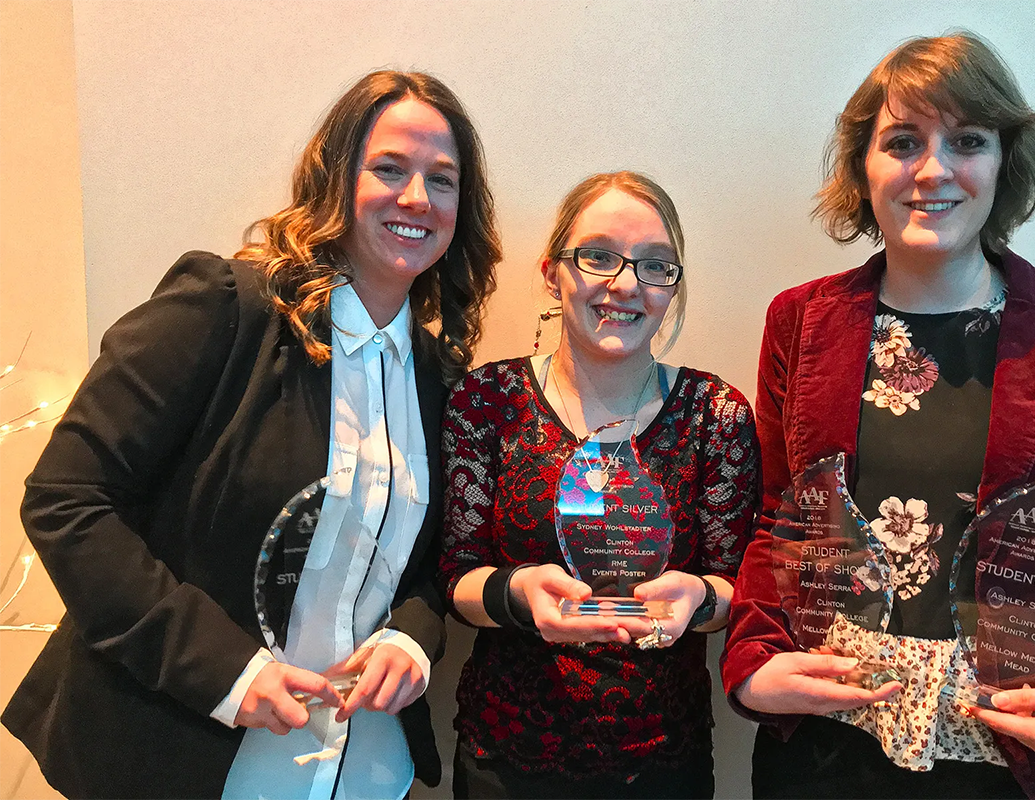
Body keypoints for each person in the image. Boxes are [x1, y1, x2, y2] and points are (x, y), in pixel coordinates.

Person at [2, 70, 502, 800]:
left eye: (443, 179)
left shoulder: (438, 375)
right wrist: (227, 670)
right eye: (389, 169)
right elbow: (67, 501)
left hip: (361, 769)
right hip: (179, 754)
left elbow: (424, 563)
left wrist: (410, 639)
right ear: (335, 180)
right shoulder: (225, 308)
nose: (417, 198)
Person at [721, 32, 1035, 800]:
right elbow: (782, 522)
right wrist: (754, 660)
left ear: (1004, 162)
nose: (933, 169)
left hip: (1011, 763)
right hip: (823, 755)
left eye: (967, 141)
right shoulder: (800, 323)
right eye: (902, 141)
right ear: (862, 167)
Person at [439, 171, 760, 799]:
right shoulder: (487, 401)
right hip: (508, 759)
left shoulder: (714, 413)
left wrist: (696, 595)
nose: (625, 284)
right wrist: (519, 592)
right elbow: (456, 578)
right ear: (551, 271)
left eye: (655, 265)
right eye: (599, 256)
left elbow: (736, 589)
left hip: (662, 762)